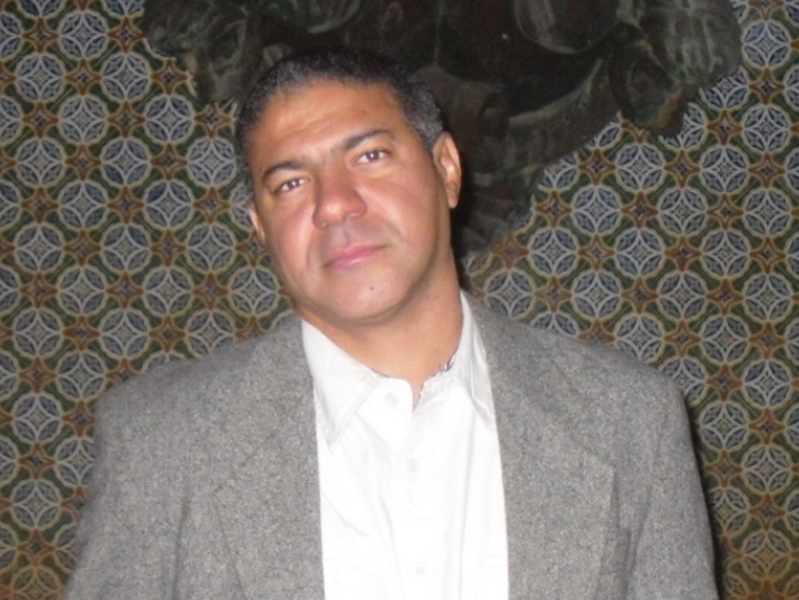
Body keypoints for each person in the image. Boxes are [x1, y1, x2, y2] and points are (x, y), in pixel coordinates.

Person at [66, 48, 718, 600]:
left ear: (447, 169)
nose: (334, 204)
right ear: (261, 228)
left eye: (370, 156)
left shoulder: (629, 422)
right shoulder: (162, 442)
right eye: (290, 183)